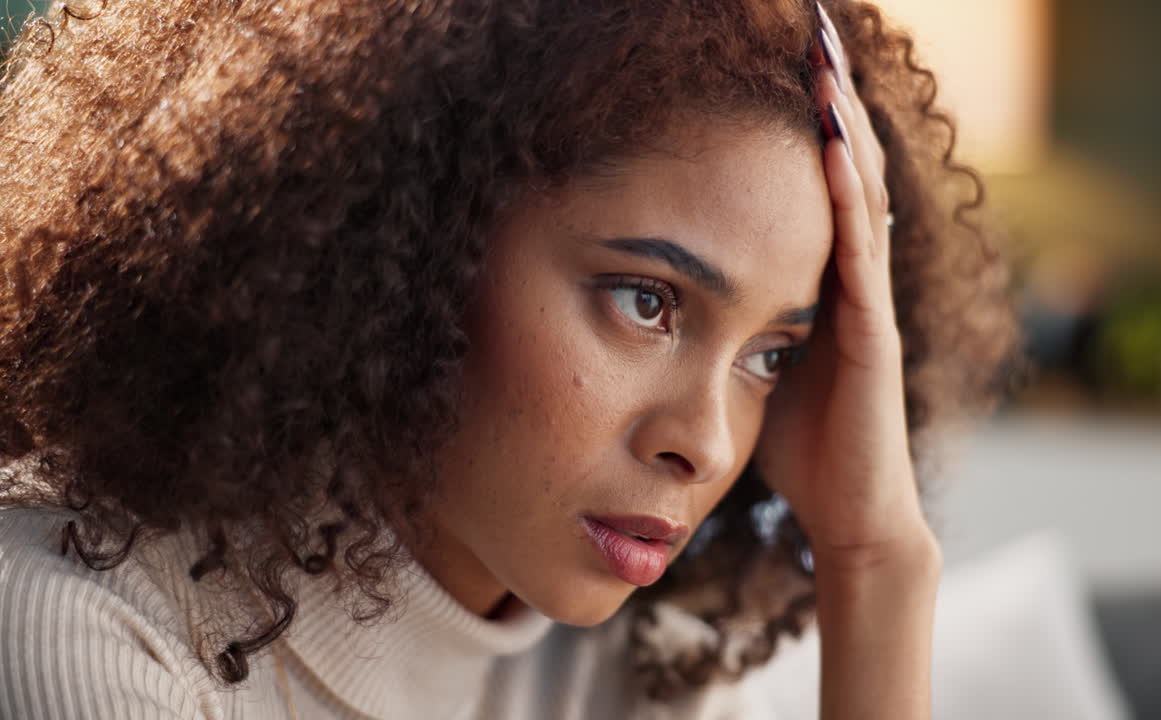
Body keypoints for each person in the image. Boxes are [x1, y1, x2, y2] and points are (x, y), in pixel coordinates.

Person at [0, 0, 1017, 717]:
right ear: (415, 241)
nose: (705, 445)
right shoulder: (72, 621)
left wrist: (877, 562)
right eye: (646, 301)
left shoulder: (630, 675)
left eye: (772, 355)